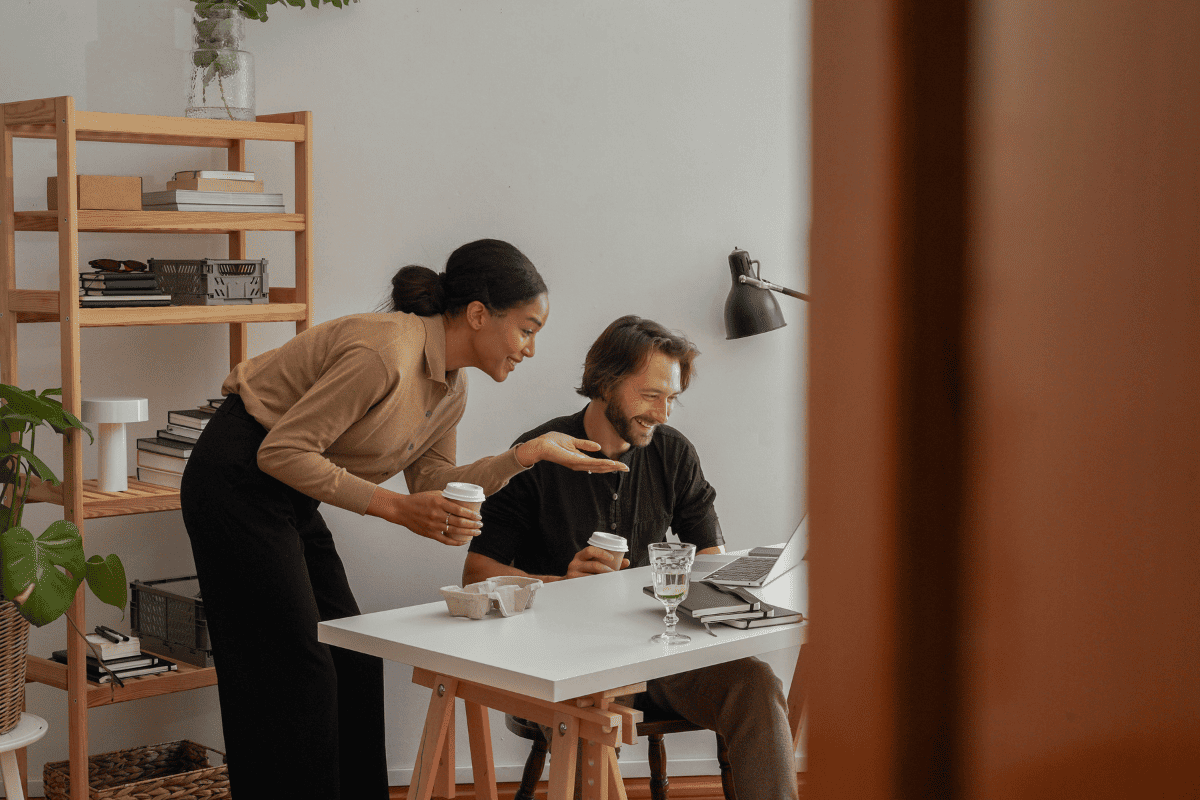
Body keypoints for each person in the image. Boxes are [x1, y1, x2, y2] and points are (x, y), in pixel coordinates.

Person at [180, 239, 627, 800]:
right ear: (478, 314)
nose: (530, 349)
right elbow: (281, 453)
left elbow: (431, 484)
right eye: (527, 329)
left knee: (354, 657)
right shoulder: (385, 354)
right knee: (297, 671)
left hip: (287, 493)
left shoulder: (452, 387)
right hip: (236, 480)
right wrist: (394, 509)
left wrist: (525, 455)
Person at [463, 315, 799, 800]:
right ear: (605, 382)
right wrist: (559, 583)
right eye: (650, 396)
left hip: (657, 654)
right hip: (569, 663)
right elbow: (476, 574)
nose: (663, 413)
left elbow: (710, 561)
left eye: (672, 398)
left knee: (756, 684)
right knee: (591, 717)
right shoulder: (539, 455)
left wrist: (734, 591)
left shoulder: (672, 453)